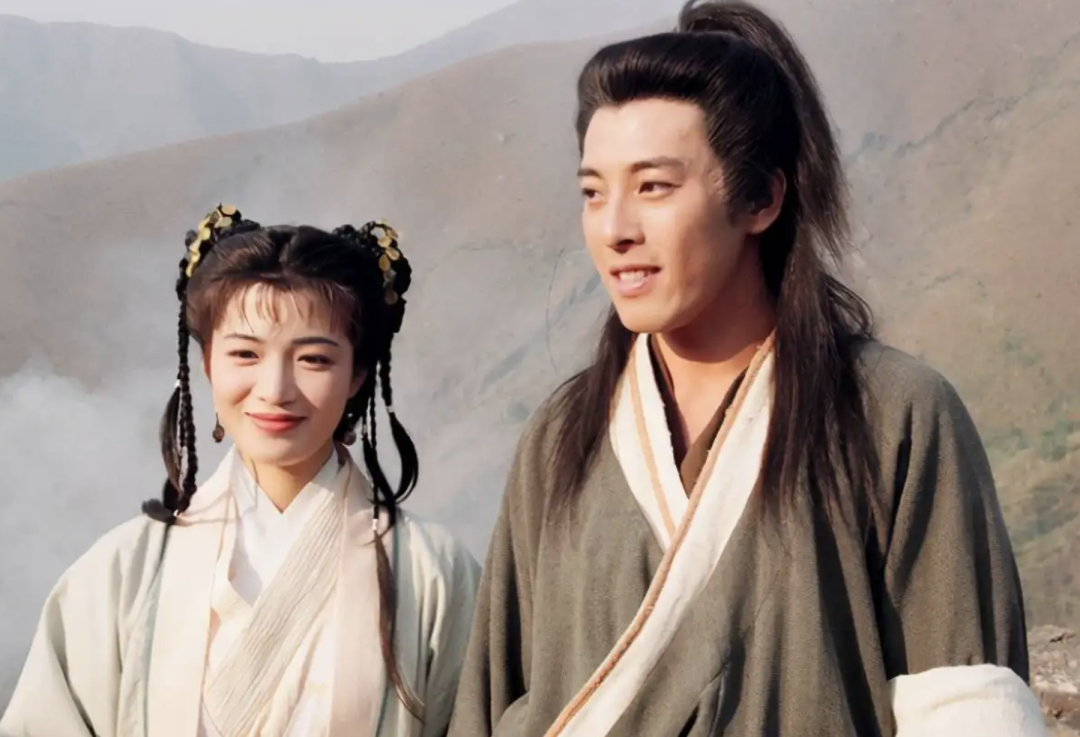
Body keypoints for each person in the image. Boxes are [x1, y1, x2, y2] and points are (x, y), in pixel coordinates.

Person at [448, 2, 1048, 735]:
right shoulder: (563, 435)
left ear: (761, 197)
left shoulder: (892, 413)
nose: (615, 228)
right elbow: (492, 700)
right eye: (593, 192)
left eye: (654, 186)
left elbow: (969, 706)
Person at [1, 205, 481, 736]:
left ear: (357, 375)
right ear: (207, 363)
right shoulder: (122, 573)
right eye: (246, 355)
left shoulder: (431, 574)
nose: (275, 390)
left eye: (314, 359)